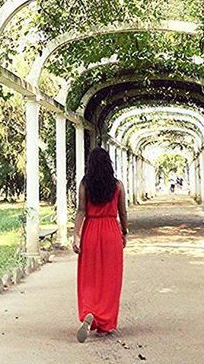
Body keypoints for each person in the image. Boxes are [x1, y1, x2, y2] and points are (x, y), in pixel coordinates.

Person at [73, 146, 128, 343]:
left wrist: (75, 236)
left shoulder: (85, 185)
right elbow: (123, 213)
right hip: (111, 231)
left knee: (89, 277)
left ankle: (89, 312)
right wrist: (124, 233)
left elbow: (81, 211)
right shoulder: (118, 185)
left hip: (91, 231)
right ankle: (105, 323)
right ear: (108, 165)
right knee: (110, 278)